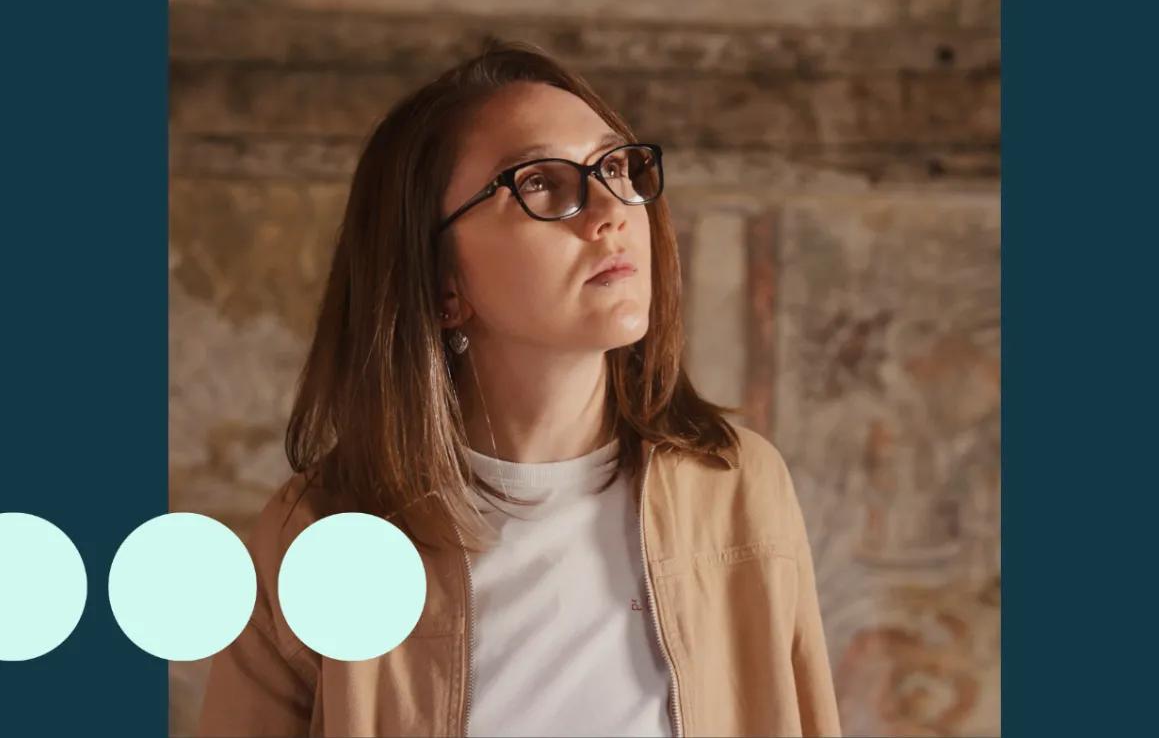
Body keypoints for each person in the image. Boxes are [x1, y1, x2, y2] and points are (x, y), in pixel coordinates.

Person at [197, 40, 841, 738]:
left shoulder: (740, 485)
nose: (610, 211)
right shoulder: (317, 538)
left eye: (615, 167)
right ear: (443, 284)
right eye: (539, 184)